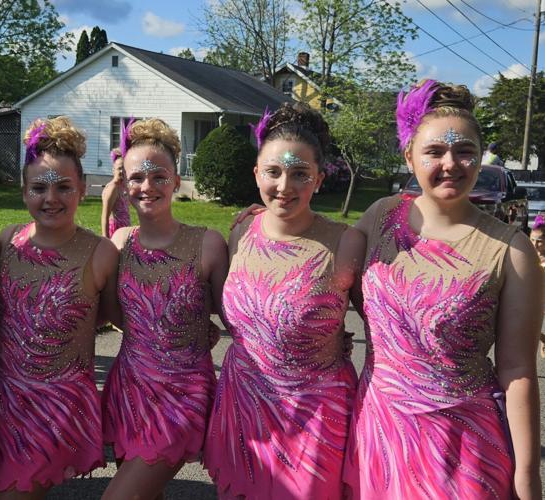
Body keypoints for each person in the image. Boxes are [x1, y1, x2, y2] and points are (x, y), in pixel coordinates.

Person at [343, 80, 542, 499]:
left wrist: (527, 472)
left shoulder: (511, 248)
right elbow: (327, 266)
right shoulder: (381, 215)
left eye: (465, 151)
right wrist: (268, 219)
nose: (451, 163)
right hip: (380, 433)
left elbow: (518, 369)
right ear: (409, 156)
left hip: (463, 444)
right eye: (434, 151)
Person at [204, 103, 364, 499]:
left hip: (313, 418)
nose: (284, 186)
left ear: (320, 179)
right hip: (242, 406)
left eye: (300, 174)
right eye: (273, 172)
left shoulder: (345, 242)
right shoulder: (241, 228)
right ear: (257, 173)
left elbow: (385, 327)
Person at [0, 116, 119, 499]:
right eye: (39, 188)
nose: (51, 198)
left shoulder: (101, 252)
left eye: (64, 187)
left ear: (82, 188)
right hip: (1, 402)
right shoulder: (8, 240)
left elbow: (117, 317)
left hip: (56, 407)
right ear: (23, 191)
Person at [100, 118, 228, 500]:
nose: (147, 186)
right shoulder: (120, 242)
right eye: (137, 177)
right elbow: (110, 313)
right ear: (124, 185)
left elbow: (237, 315)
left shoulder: (208, 244)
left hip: (183, 394)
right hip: (128, 389)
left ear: (175, 179)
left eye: (159, 176)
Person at [101, 146, 131, 237]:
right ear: (113, 170)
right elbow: (104, 216)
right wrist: (106, 239)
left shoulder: (122, 186)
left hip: (124, 229)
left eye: (124, 168)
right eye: (119, 168)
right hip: (115, 230)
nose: (122, 171)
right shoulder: (113, 188)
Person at [530, 214, 545, 358]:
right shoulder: (527, 255)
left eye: (539, 241)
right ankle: (543, 338)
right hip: (533, 296)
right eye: (532, 240)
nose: (534, 244)